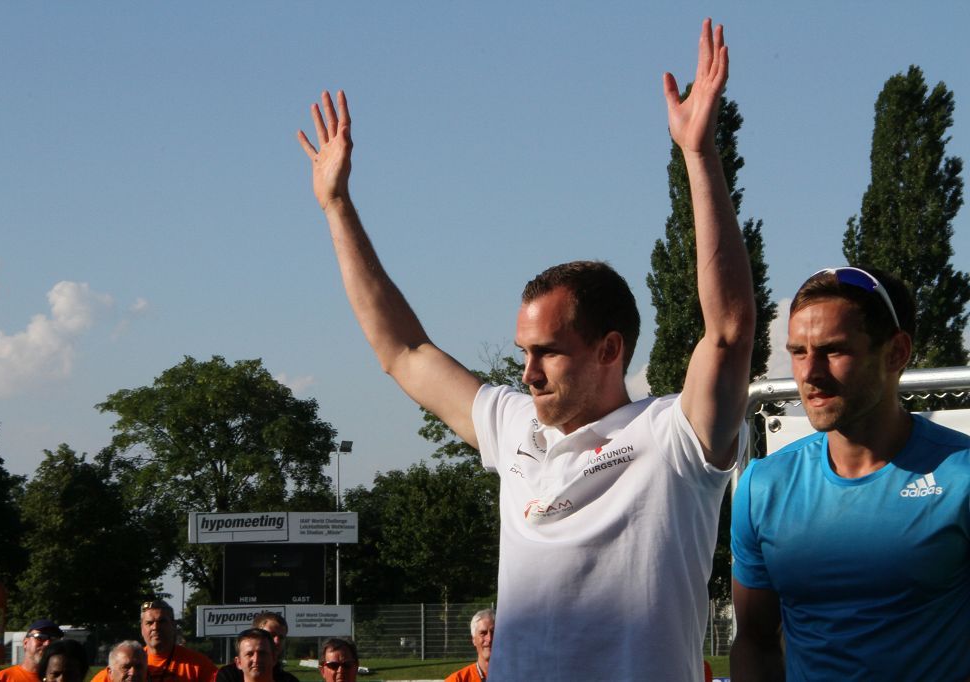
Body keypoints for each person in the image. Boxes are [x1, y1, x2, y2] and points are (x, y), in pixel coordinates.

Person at [297, 17, 754, 680]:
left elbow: (729, 331)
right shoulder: (514, 428)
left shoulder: (673, 439)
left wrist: (698, 153)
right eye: (523, 351)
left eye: (548, 351)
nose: (528, 373)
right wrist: (336, 205)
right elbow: (404, 351)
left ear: (610, 349)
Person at [730, 267, 970, 680]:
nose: (810, 373)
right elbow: (755, 641)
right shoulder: (763, 486)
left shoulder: (960, 475)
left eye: (833, 350)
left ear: (896, 353)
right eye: (798, 352)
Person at [140, 600, 217, 682]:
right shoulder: (133, 663)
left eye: (162, 622)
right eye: (149, 623)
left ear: (173, 626)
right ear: (142, 628)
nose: (155, 627)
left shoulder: (199, 665)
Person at [215, 613, 298, 682]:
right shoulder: (229, 675)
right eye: (270, 635)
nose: (277, 641)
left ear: (274, 659)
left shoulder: (289, 680)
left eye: (281, 637)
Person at [0, 620, 64, 682]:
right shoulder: (1, 679)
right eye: (40, 637)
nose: (47, 643)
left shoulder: (63, 679)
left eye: (54, 639)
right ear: (25, 643)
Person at [444, 609, 494, 682]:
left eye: (494, 632)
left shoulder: (512, 676)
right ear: (474, 640)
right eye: (483, 633)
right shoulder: (458, 680)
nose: (489, 639)